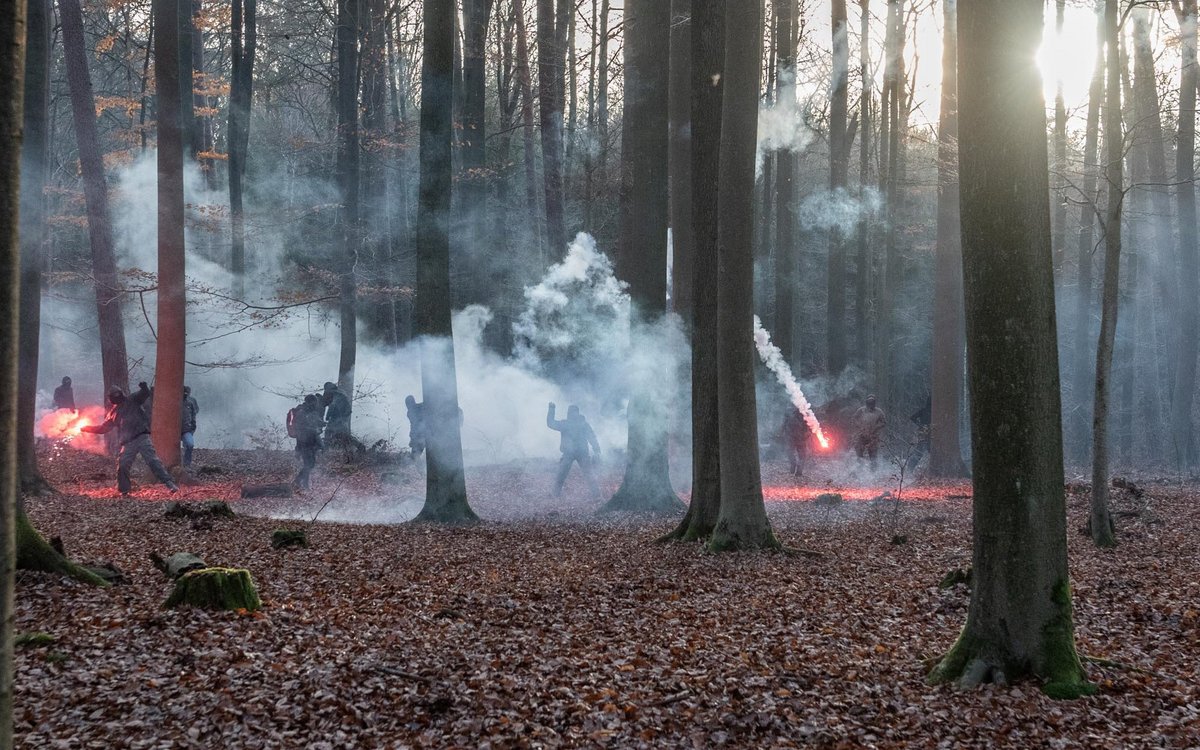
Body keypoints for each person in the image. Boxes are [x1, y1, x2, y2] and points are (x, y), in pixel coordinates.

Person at [81, 382, 178, 496]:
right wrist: (88, 428)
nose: (117, 397)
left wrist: (144, 387)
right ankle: (124, 491)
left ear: (121, 394)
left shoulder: (132, 399)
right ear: (111, 399)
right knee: (122, 465)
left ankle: (169, 483)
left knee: (152, 461)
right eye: (114, 395)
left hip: (142, 436)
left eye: (118, 394)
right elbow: (104, 428)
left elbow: (144, 394)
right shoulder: (113, 413)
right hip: (128, 443)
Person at [547, 402, 602, 499]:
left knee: (589, 474)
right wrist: (552, 409)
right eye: (571, 412)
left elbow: (592, 437)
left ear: (577, 413)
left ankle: (597, 495)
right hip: (568, 453)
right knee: (561, 474)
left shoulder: (583, 424)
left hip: (582, 453)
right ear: (568, 413)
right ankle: (555, 495)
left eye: (574, 412)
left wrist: (597, 449)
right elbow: (550, 423)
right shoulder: (565, 424)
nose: (572, 414)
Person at [293, 394, 325, 490]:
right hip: (304, 442)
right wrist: (314, 430)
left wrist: (321, 425)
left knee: (310, 464)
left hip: (312, 441)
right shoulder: (302, 413)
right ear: (309, 402)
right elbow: (300, 428)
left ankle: (301, 482)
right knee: (308, 464)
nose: (316, 404)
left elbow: (317, 422)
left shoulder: (313, 412)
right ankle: (301, 483)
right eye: (314, 402)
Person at [852, 394, 887, 464]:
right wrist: (859, 426)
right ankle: (859, 468)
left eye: (872, 402)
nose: (870, 403)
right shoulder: (861, 410)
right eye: (869, 401)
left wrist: (876, 427)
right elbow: (854, 419)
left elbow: (884, 422)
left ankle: (873, 472)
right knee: (859, 452)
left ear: (874, 402)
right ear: (866, 402)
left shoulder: (879, 411)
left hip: (873, 436)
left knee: (873, 455)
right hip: (862, 434)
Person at [906, 396, 932, 474]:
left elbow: (912, 417)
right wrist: (920, 425)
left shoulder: (934, 411)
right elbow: (912, 417)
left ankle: (910, 469)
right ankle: (910, 469)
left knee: (930, 451)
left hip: (931, 433)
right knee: (920, 452)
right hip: (923, 434)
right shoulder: (924, 410)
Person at [781, 406, 808, 478]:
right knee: (790, 452)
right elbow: (784, 423)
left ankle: (799, 471)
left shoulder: (804, 412)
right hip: (792, 437)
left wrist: (806, 435)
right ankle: (794, 466)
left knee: (801, 455)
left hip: (800, 438)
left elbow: (808, 425)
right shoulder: (789, 411)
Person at [180, 385, 199, 467]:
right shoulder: (172, 401)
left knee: (190, 445)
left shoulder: (191, 402)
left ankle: (186, 464)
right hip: (172, 431)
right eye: (184, 392)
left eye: (187, 393)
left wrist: (193, 426)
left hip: (186, 429)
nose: (185, 394)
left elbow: (195, 412)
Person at [405, 394, 426, 459]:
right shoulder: (410, 412)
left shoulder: (416, 409)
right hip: (418, 436)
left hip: (421, 435)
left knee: (415, 455)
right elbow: (415, 425)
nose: (408, 405)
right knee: (415, 456)